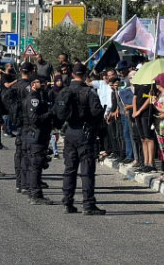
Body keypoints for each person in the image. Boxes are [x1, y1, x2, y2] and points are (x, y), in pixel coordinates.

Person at [53, 62, 106, 215]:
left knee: (69, 169)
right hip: (85, 133)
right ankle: (88, 204)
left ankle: (67, 202)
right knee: (87, 171)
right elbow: (97, 113)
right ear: (84, 75)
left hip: (69, 132)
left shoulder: (65, 91)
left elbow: (57, 112)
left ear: (72, 75)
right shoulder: (89, 92)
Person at [25, 75, 54, 205]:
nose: (43, 84)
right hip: (36, 135)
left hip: (41, 135)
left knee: (37, 165)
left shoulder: (40, 96)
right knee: (35, 166)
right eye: (40, 82)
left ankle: (34, 193)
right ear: (33, 84)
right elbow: (34, 119)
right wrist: (50, 113)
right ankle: (35, 195)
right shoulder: (33, 98)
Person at [11, 62, 33, 193]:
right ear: (30, 72)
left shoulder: (15, 85)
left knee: (19, 153)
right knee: (26, 154)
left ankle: (19, 183)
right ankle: (25, 184)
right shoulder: (28, 87)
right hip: (27, 122)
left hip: (17, 121)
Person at [133, 81, 156, 173]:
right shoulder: (138, 84)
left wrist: (140, 110)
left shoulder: (151, 85)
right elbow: (134, 97)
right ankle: (145, 162)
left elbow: (150, 98)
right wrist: (135, 111)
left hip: (146, 113)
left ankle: (151, 162)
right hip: (138, 114)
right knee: (143, 138)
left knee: (149, 138)